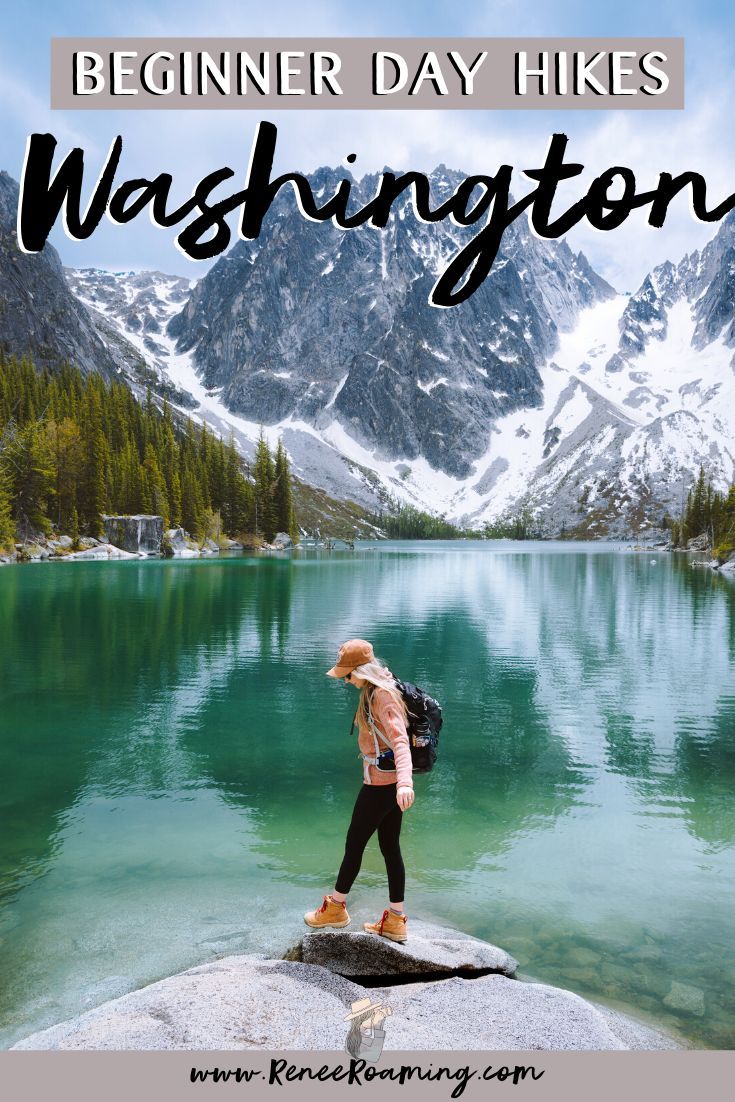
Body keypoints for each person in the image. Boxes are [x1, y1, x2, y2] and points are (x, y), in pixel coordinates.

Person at [304, 638, 414, 942]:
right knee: (390, 847)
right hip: (386, 783)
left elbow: (401, 740)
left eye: (349, 675)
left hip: (382, 785)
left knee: (354, 845)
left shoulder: (382, 697)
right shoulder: (378, 688)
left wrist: (405, 781)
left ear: (362, 671)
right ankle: (395, 919)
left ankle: (336, 908)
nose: (347, 681)